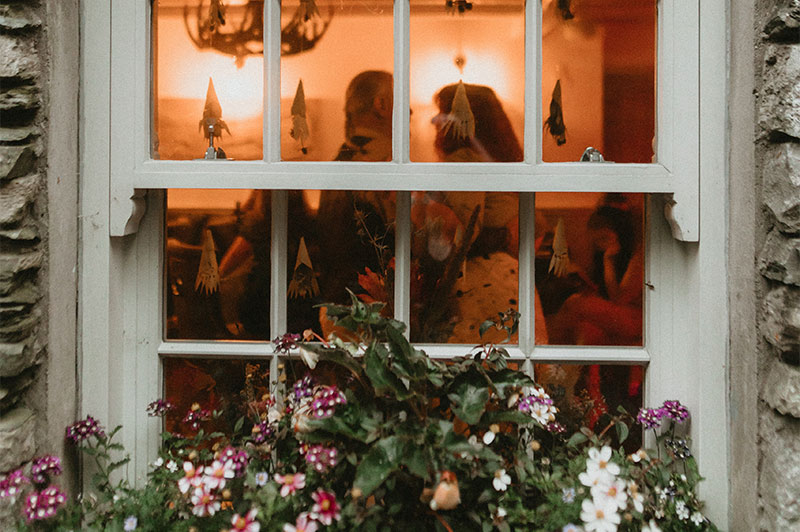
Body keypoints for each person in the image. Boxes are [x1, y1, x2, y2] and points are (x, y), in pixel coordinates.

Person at [334, 70, 393, 162]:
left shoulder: (343, 160)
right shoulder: (380, 162)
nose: (410, 111)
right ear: (382, 105)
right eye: (402, 101)